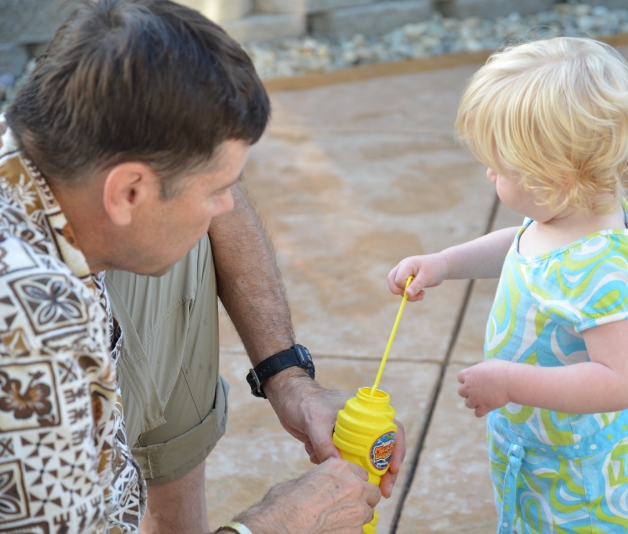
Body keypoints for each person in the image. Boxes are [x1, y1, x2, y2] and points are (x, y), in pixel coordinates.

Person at [0, 0, 403, 532]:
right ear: (127, 191)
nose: (229, 207)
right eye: (216, 190)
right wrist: (275, 524)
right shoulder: (34, 332)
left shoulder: (36, 156)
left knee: (183, 230)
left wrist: (288, 379)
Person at [387, 38, 628, 534]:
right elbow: (522, 247)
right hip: (548, 448)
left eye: (501, 168)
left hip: (585, 482)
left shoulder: (600, 267)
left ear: (556, 177)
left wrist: (511, 382)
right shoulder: (564, 218)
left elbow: (621, 381)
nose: (489, 173)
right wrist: (445, 263)